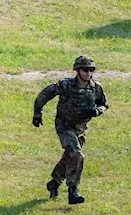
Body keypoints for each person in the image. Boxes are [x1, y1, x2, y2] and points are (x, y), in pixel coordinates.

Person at [33, 55, 108, 205]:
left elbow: (104, 104)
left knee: (69, 157)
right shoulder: (66, 85)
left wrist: (97, 111)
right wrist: (37, 113)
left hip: (81, 128)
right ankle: (73, 190)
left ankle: (54, 183)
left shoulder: (96, 87)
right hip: (64, 125)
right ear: (78, 71)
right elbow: (46, 93)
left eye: (91, 70)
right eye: (85, 70)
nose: (88, 73)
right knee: (77, 154)